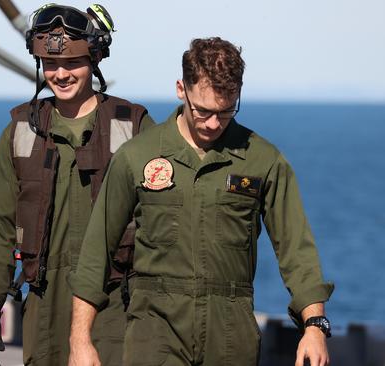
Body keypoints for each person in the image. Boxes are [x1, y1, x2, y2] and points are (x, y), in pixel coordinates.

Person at [68, 37, 334, 366]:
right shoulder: (137, 156)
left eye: (226, 112)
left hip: (230, 331)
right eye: (203, 111)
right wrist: (80, 340)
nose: (212, 124)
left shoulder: (264, 160)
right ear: (181, 89)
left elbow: (297, 249)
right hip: (155, 331)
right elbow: (96, 250)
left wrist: (314, 326)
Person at [0, 4, 155, 366]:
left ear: (95, 58)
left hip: (115, 300)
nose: (60, 73)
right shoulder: (20, 131)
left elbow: (164, 224)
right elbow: (0, 226)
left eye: (72, 63)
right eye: (51, 64)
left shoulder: (134, 127)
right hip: (45, 306)